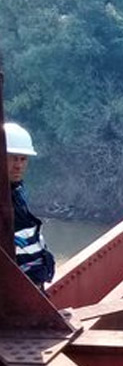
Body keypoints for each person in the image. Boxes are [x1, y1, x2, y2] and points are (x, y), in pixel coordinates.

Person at [5, 122, 55, 288]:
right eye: (12, 158)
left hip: (31, 284)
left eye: (23, 159)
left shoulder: (16, 193)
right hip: (14, 290)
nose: (18, 165)